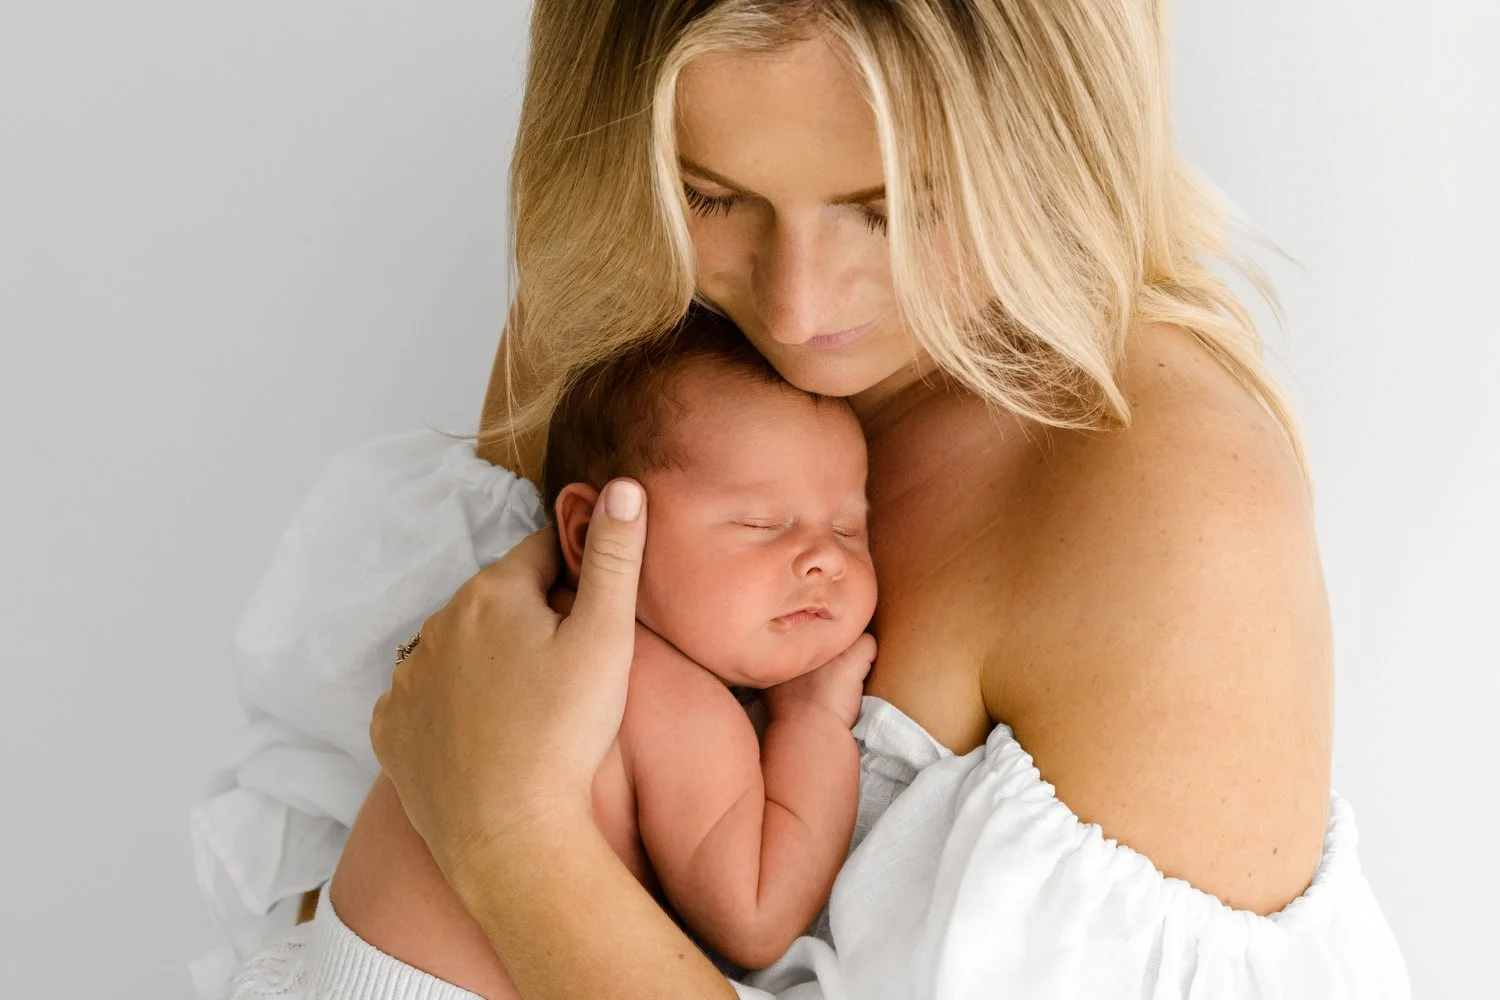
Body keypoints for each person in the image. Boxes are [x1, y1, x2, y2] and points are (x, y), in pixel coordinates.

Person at [197, 2, 1410, 998]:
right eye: (714, 194)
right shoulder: (632, 300)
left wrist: (515, 842)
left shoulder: (1173, 521)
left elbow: (461, 788)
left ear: (1055, 138)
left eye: (895, 206)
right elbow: (358, 815)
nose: (795, 308)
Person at [331, 311, 881, 996]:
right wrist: (812, 723)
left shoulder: (511, 639)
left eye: (849, 527)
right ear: (593, 533)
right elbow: (758, 915)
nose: (824, 559)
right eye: (761, 524)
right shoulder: (662, 693)